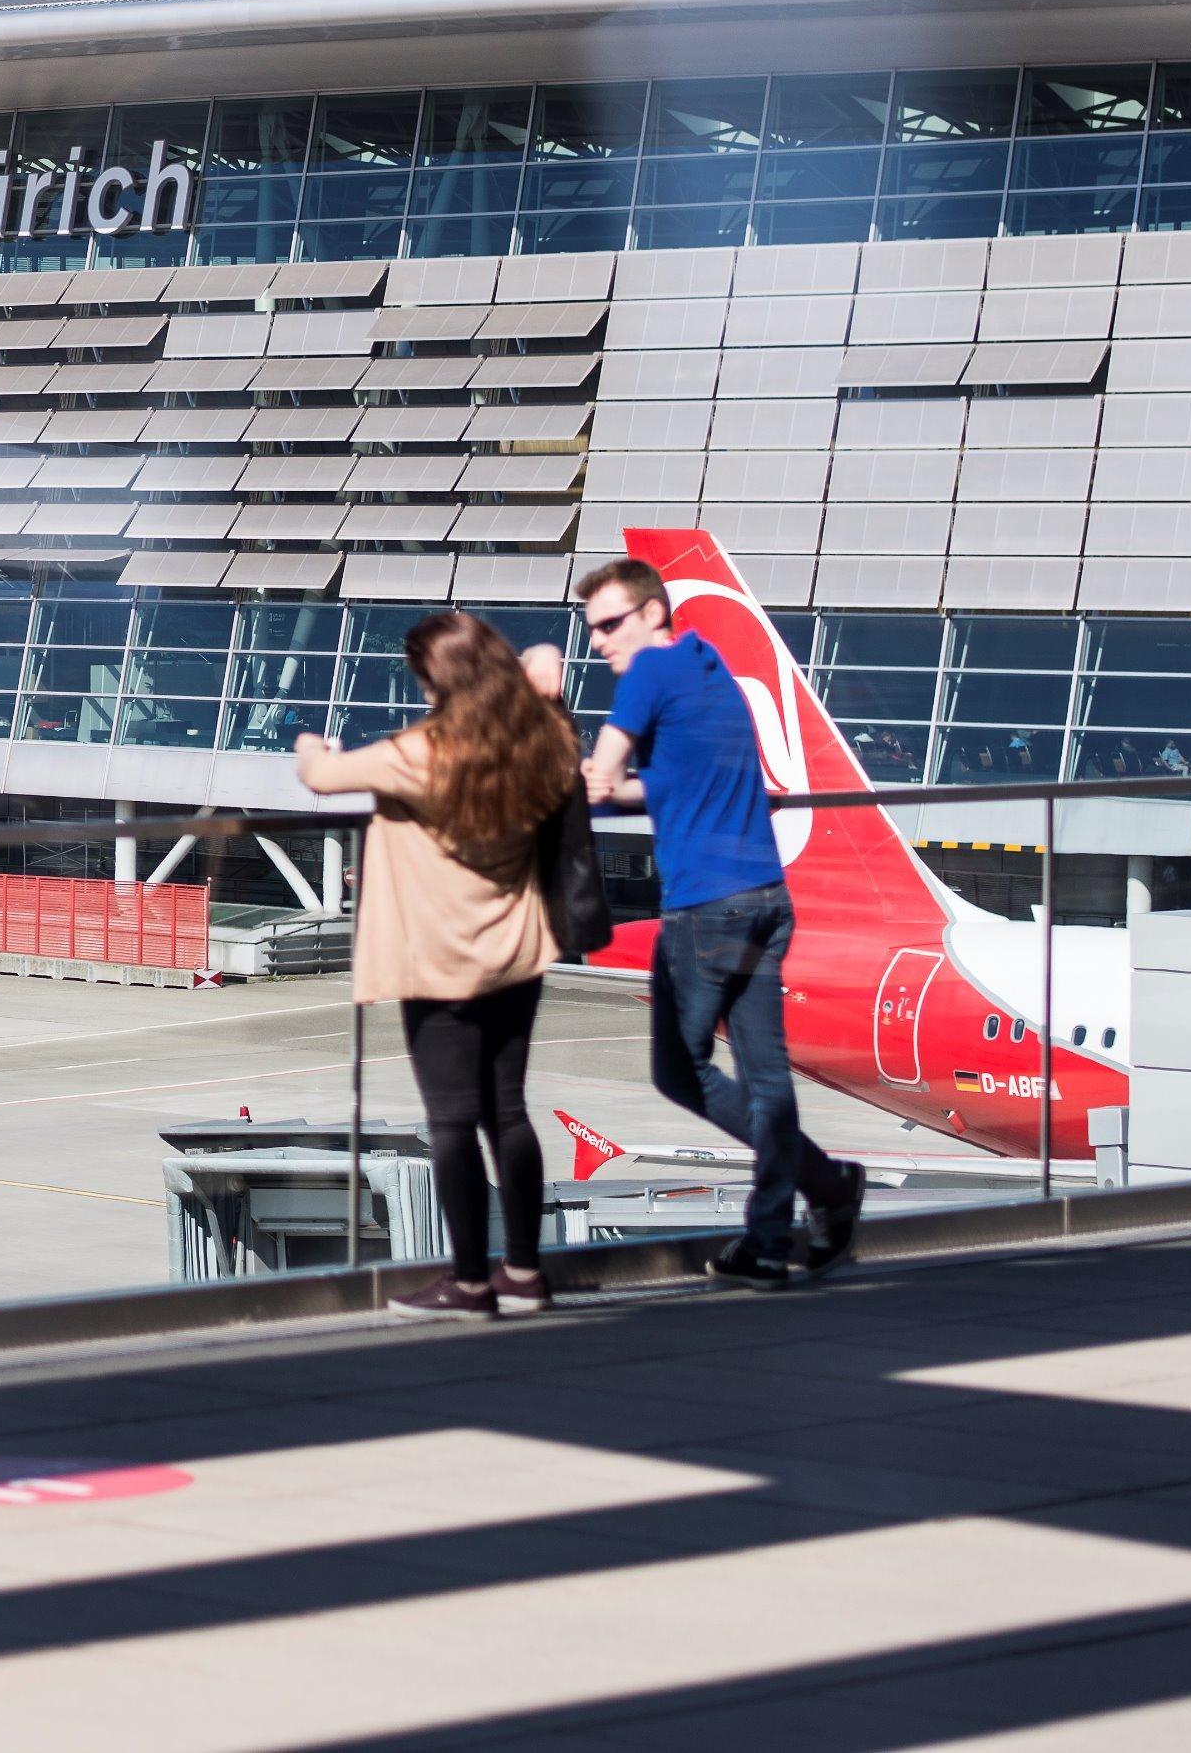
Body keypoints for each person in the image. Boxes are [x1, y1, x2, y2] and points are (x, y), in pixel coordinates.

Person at [574, 555, 866, 1286]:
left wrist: (563, 776)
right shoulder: (708, 669)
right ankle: (775, 1236)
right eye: (592, 630)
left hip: (706, 908)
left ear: (651, 613)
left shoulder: (647, 672)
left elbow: (602, 778)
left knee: (681, 1071)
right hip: (766, 898)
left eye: (609, 624)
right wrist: (621, 788)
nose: (599, 642)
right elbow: (672, 783)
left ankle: (823, 1185)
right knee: (766, 1078)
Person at [295, 610, 570, 1319]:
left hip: (439, 957)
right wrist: (544, 679)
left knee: (450, 1121)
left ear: (434, 679)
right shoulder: (539, 741)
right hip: (517, 949)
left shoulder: (418, 752)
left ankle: (469, 1283)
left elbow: (322, 774)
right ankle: (525, 1274)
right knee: (508, 1112)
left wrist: (308, 742)